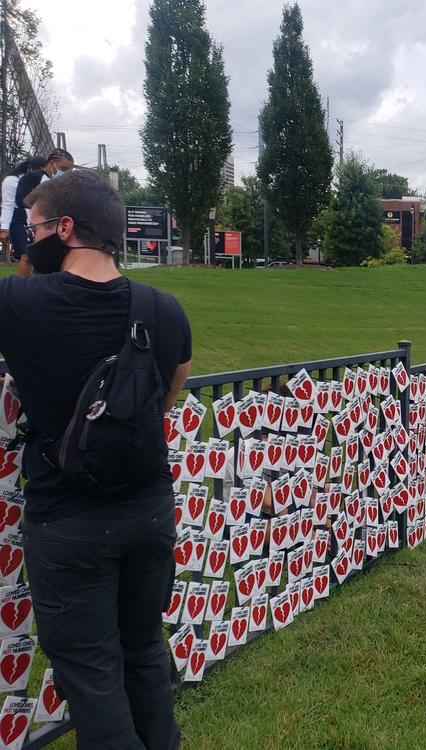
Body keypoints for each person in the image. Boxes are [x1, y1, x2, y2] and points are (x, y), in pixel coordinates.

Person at [1, 169, 190, 748]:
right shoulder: (164, 308)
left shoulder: (18, 303)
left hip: (68, 519)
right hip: (149, 510)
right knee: (143, 652)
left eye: (30, 229)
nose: (24, 241)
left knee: (92, 676)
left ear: (63, 229)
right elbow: (170, 393)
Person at [14, 148, 74, 276]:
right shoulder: (33, 177)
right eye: (63, 169)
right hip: (31, 225)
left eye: (69, 171)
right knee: (27, 257)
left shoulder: (62, 185)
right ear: (52, 163)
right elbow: (21, 200)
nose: (66, 173)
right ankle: (22, 288)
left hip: (53, 226)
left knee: (47, 260)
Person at [3, 156, 44, 264]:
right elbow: (8, 204)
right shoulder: (12, 180)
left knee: (38, 255)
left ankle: (35, 279)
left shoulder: (40, 180)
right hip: (17, 218)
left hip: (35, 219)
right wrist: (4, 229)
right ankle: (23, 280)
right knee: (25, 255)